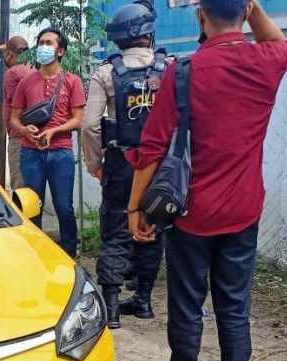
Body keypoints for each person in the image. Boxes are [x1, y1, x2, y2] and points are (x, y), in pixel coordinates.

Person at [125, 0, 287, 361]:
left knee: (186, 306)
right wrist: (253, 10)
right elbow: (282, 42)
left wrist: (134, 209)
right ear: (246, 12)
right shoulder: (266, 62)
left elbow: (152, 150)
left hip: (189, 213)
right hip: (243, 209)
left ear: (200, 16)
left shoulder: (182, 73)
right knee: (234, 306)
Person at [84, 0, 167, 328]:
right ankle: (144, 302)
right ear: (148, 33)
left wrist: (96, 163)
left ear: (118, 39)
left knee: (116, 229)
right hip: (159, 164)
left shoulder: (106, 72)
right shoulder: (170, 68)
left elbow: (90, 125)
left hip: (121, 161)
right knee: (152, 227)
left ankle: (112, 307)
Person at [10, 27, 86, 258]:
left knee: (64, 207)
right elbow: (14, 118)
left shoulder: (73, 81)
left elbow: (78, 120)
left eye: (49, 43)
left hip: (60, 153)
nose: (43, 47)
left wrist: (54, 131)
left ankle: (70, 255)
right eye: (41, 42)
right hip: (31, 152)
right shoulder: (26, 82)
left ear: (60, 50)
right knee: (32, 207)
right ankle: (36, 255)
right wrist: (24, 129)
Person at [1, 36, 34, 189]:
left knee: (20, 188)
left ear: (10, 54)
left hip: (19, 137)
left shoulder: (11, 73)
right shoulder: (35, 71)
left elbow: (17, 104)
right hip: (34, 135)